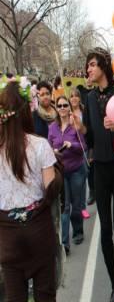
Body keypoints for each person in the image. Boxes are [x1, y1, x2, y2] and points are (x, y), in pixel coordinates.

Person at [75, 48, 114, 302]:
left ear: (103, 66)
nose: (88, 69)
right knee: (105, 227)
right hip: (100, 167)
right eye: (87, 66)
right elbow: (90, 137)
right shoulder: (89, 97)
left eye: (92, 65)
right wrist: (81, 127)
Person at [0, 81, 62, 302]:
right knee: (45, 294)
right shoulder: (40, 145)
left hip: (7, 235)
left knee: (14, 297)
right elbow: (50, 189)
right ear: (27, 110)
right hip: (38, 229)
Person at [48, 96, 87, 256]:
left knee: (76, 205)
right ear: (56, 108)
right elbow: (48, 146)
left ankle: (78, 231)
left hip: (77, 169)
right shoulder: (52, 127)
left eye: (65, 105)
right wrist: (53, 151)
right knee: (65, 207)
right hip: (61, 171)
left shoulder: (75, 125)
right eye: (60, 105)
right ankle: (65, 243)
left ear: (69, 108)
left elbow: (84, 146)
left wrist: (73, 145)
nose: (63, 108)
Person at [69, 88, 91, 219]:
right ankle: (78, 206)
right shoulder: (66, 112)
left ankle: (82, 207)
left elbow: (87, 129)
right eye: (71, 96)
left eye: (76, 96)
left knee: (84, 176)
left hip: (84, 147)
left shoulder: (84, 111)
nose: (74, 98)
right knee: (78, 179)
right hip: (72, 149)